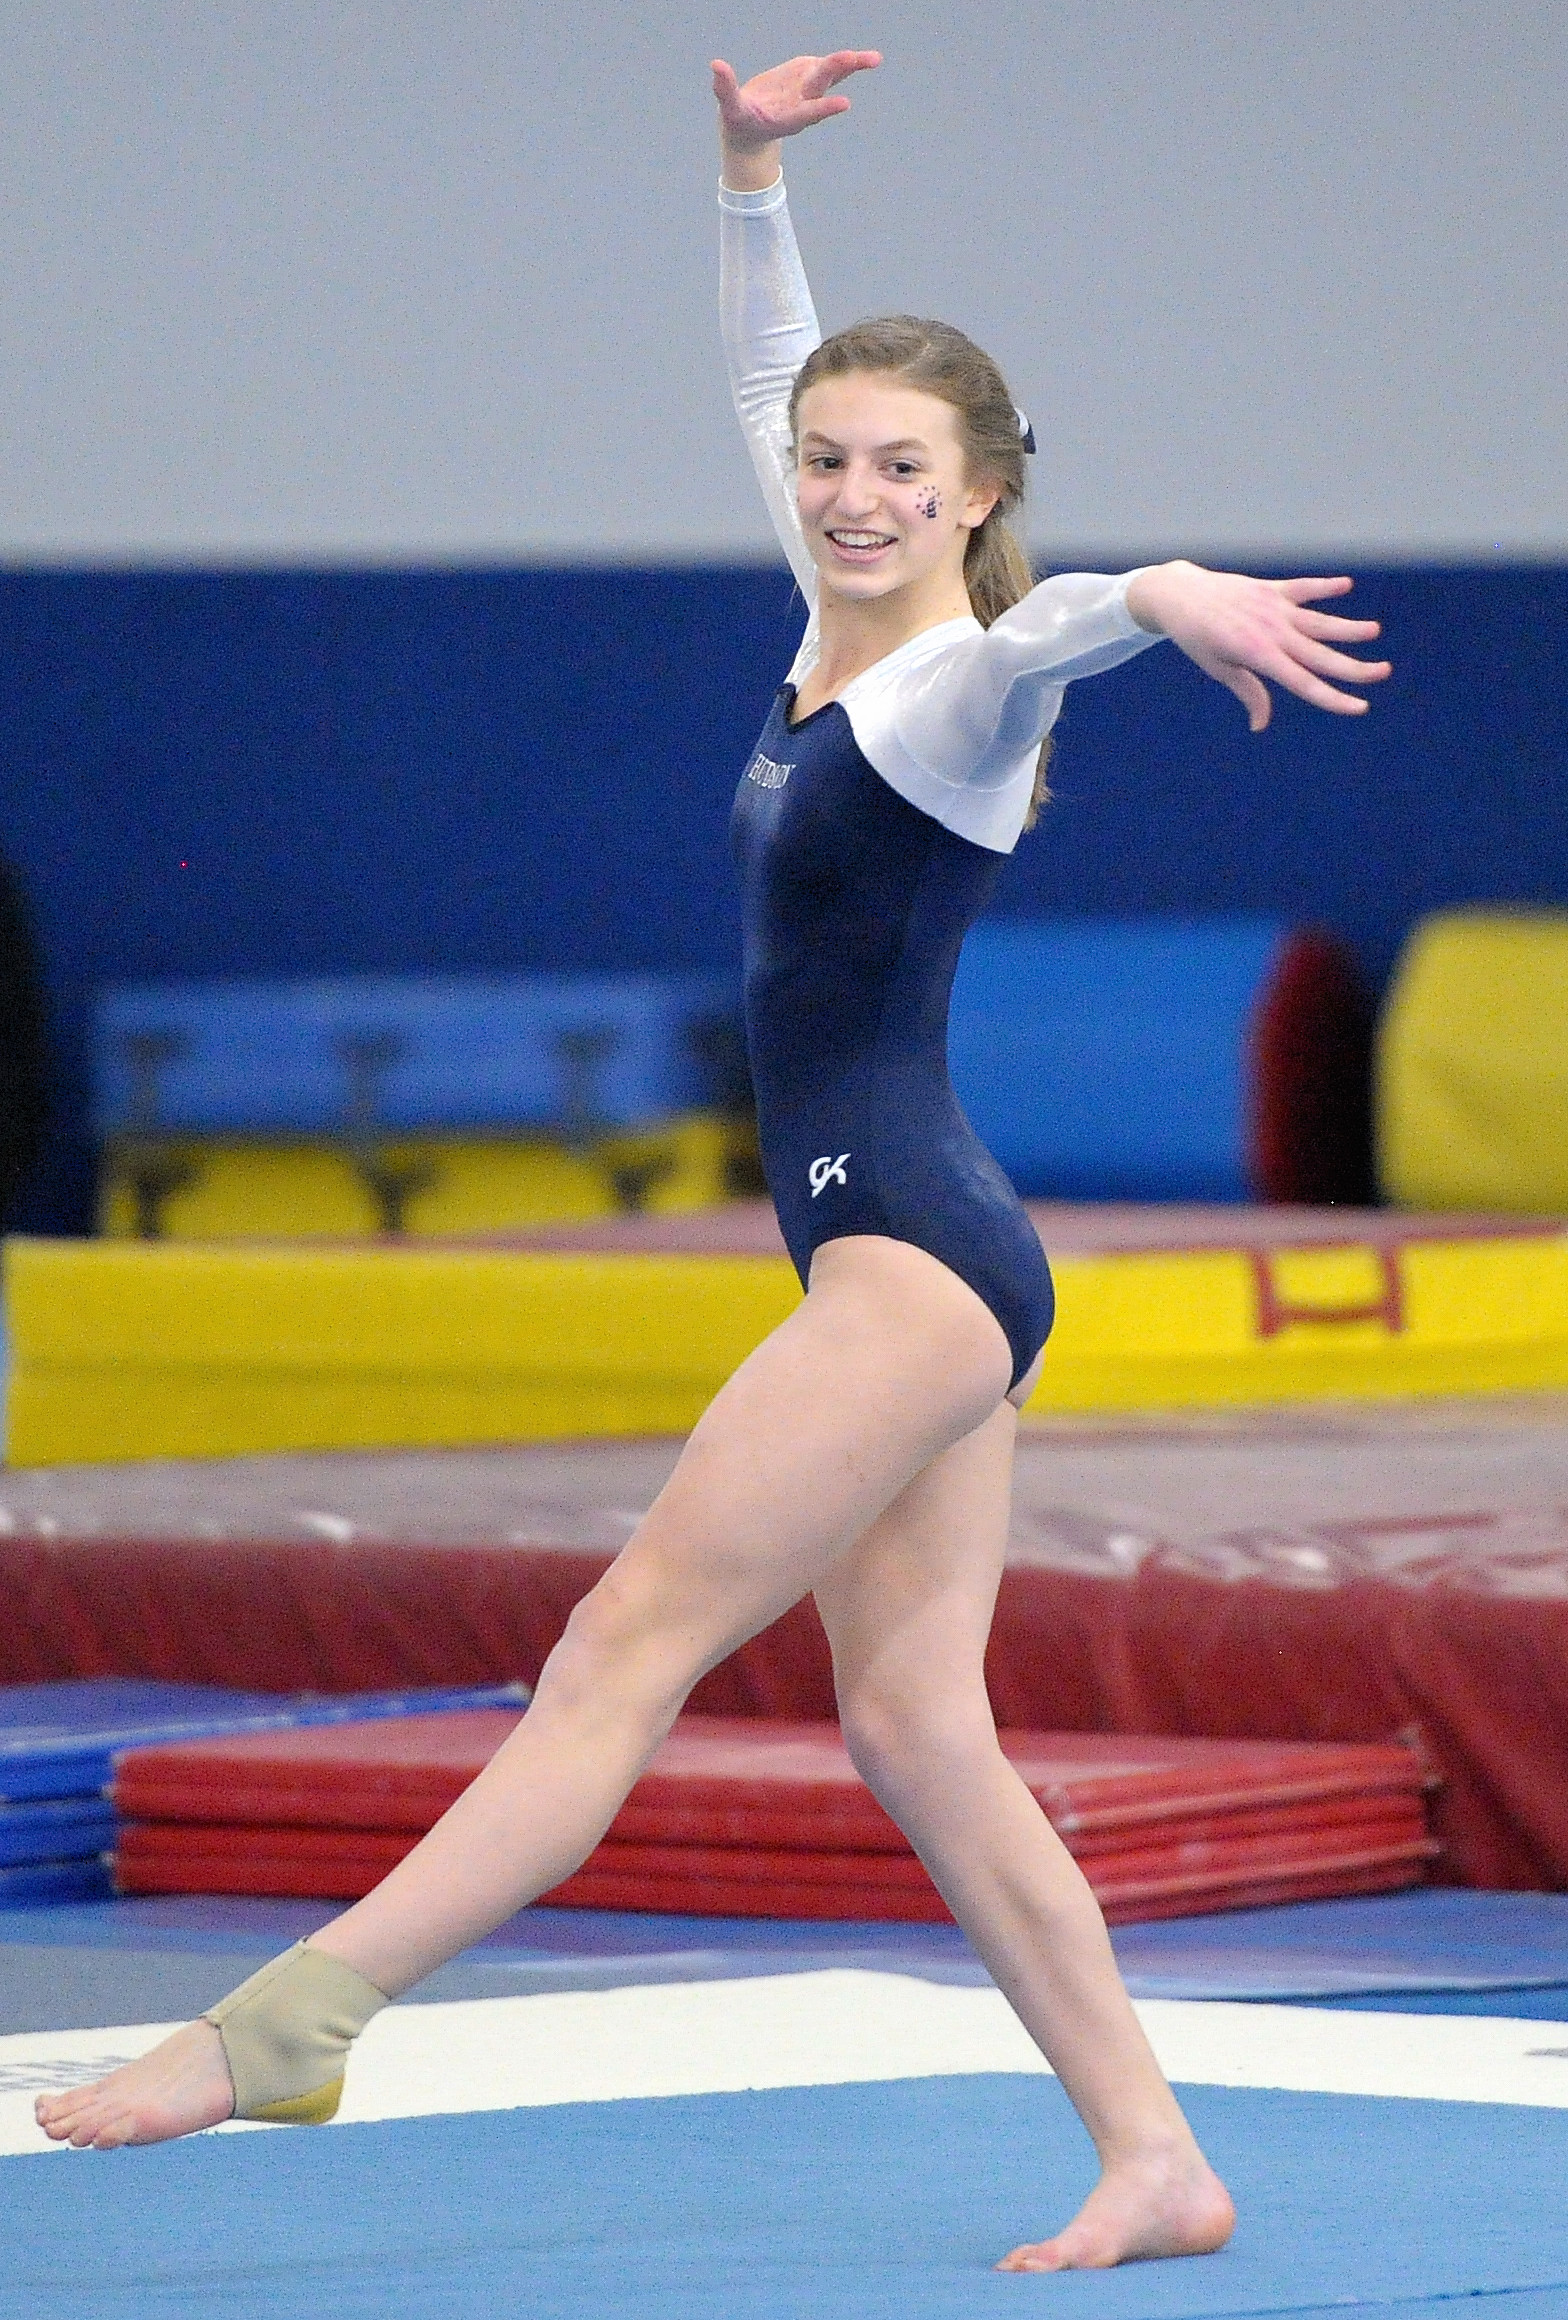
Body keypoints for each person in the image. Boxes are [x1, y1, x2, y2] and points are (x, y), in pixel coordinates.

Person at [39, 49, 1389, 2274]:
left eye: (901, 473)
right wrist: (748, 172)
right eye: (831, 465)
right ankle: (1155, 2148)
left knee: (617, 1647)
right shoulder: (823, 608)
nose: (855, 494)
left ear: (975, 496)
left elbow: (1051, 628)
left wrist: (1157, 586)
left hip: (910, 1275)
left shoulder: (956, 679)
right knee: (911, 1725)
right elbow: (777, 357)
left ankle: (295, 2013)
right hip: (918, 1246)